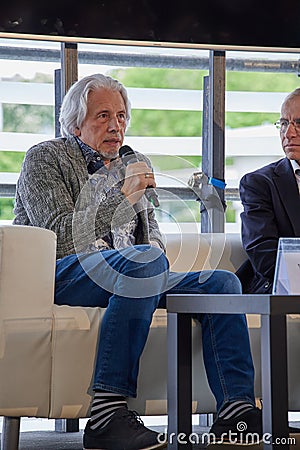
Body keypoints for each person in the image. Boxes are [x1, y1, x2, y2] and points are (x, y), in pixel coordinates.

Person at [13, 73, 261, 449]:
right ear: (75, 122)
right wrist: (123, 200)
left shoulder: (131, 161)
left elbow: (151, 230)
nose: (116, 126)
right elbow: (59, 236)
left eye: (122, 116)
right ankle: (107, 413)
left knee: (221, 282)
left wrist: (157, 256)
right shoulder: (45, 158)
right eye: (103, 116)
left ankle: (235, 411)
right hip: (66, 273)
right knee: (143, 261)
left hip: (136, 272)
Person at [237, 88, 300, 294]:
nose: (288, 133)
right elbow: (264, 255)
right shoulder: (258, 183)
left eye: (299, 123)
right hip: (282, 287)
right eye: (283, 123)